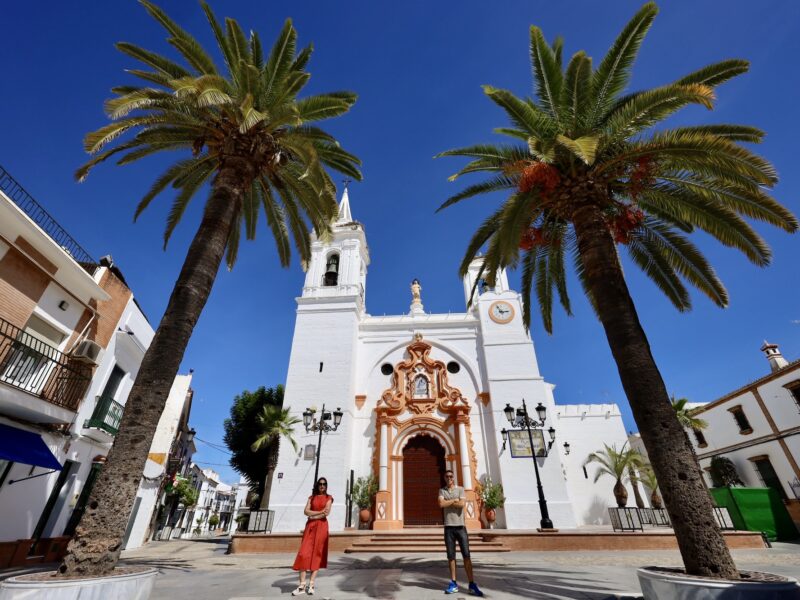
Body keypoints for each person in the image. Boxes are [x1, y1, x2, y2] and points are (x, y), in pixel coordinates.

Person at [438, 470, 483, 596]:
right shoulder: (442, 490)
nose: (449, 478)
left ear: (454, 478)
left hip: (461, 527)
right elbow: (441, 504)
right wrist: (454, 501)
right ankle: (453, 583)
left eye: (451, 476)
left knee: (466, 555)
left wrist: (450, 501)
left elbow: (462, 503)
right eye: (447, 476)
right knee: (451, 557)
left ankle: (472, 584)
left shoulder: (461, 489)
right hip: (448, 527)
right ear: (444, 478)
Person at [291, 477, 333, 596]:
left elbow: (327, 512)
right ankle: (302, 585)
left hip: (321, 527)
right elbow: (306, 511)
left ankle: (311, 584)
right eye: (320, 484)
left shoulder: (329, 498)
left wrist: (313, 516)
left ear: (326, 486)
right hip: (310, 527)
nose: (322, 486)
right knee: (303, 553)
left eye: (324, 484)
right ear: (317, 485)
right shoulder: (311, 497)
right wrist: (319, 513)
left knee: (317, 554)